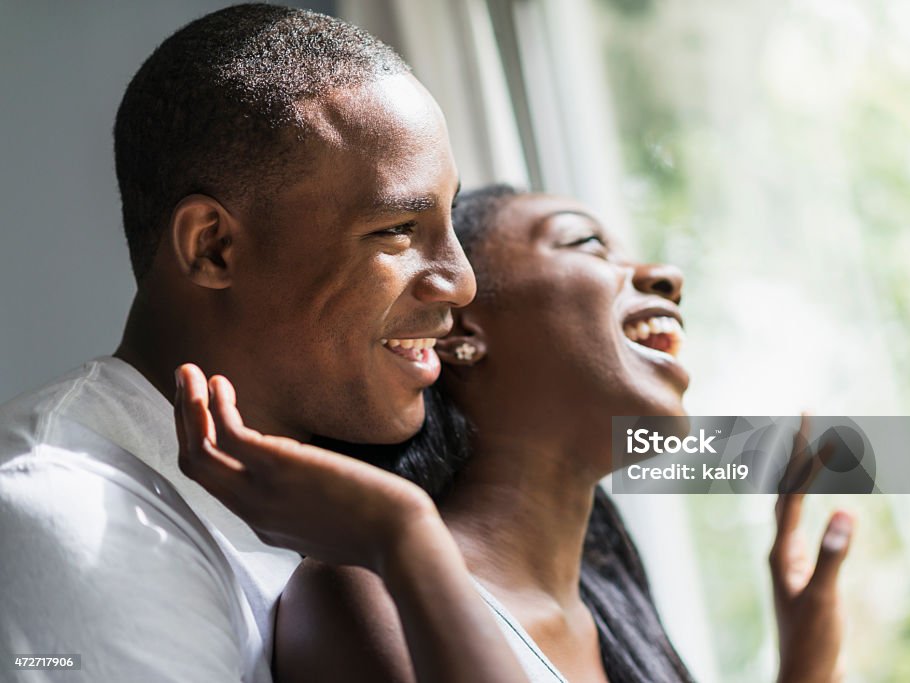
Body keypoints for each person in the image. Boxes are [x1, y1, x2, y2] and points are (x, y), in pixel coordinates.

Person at [0, 6, 529, 682]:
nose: (460, 282)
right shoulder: (61, 508)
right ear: (213, 247)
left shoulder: (347, 500)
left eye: (449, 218)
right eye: (398, 228)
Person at [188, 186, 857, 681]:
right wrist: (405, 536)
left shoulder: (614, 619)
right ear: (462, 332)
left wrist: (805, 666)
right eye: (586, 242)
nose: (664, 277)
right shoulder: (367, 594)